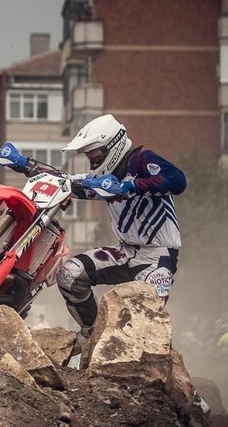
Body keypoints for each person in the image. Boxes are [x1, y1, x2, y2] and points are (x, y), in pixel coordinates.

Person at [51, 114, 186, 344]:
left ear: (112, 145)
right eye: (89, 155)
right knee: (69, 274)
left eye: (95, 154)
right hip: (125, 252)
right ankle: (91, 335)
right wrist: (27, 165)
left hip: (157, 258)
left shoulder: (141, 160)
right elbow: (69, 183)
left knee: (143, 324)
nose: (92, 159)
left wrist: (131, 185)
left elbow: (178, 181)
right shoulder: (104, 181)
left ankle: (150, 359)